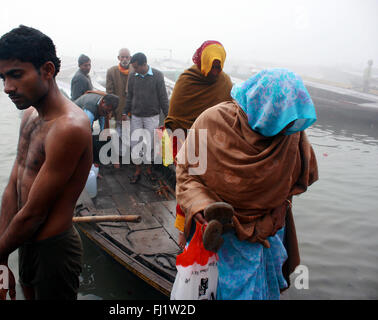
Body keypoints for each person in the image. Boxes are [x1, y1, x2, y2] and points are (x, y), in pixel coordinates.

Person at [175, 68, 319, 299]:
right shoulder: (212, 121)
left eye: (289, 122)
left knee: (261, 288)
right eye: (280, 120)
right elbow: (187, 173)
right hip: (219, 231)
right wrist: (200, 205)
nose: (286, 129)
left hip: (267, 230)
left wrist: (283, 205)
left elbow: (302, 176)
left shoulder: (292, 134)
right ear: (264, 109)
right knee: (218, 287)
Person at [0, 25, 93, 300]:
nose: (7, 87)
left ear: (48, 70)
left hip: (53, 250)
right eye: (2, 77)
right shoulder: (30, 115)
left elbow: (35, 212)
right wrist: (2, 257)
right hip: (23, 241)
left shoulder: (69, 127)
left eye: (16, 75)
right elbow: (13, 186)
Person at [164, 40, 233, 249]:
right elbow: (175, 118)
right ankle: (182, 232)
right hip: (185, 141)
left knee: (210, 188)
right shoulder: (186, 80)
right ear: (203, 62)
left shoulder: (225, 82)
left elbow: (230, 115)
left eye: (218, 66)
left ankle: (206, 230)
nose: (215, 71)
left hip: (214, 145)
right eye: (212, 66)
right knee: (186, 186)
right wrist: (186, 150)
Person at [122, 52, 169, 183]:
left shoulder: (158, 76)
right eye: (133, 67)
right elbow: (129, 96)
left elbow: (163, 97)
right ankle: (137, 170)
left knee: (150, 145)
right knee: (135, 143)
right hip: (136, 116)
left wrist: (168, 116)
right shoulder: (132, 76)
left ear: (144, 64)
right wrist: (125, 112)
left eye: (136, 67)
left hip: (152, 116)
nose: (134, 69)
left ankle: (148, 169)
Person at [75, 91, 119, 169]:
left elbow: (102, 122)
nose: (109, 113)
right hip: (74, 122)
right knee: (86, 142)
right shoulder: (90, 109)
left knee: (105, 137)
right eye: (107, 110)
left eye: (110, 111)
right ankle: (88, 166)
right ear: (103, 102)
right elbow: (86, 131)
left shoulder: (103, 106)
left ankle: (93, 165)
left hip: (83, 123)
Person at [106, 48, 131, 167]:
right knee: (115, 134)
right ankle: (116, 159)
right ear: (118, 58)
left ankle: (125, 157)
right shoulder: (111, 71)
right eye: (122, 57)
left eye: (127, 57)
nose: (125, 59)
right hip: (116, 109)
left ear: (130, 58)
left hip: (131, 110)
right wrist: (113, 109)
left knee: (128, 135)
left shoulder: (134, 71)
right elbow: (109, 92)